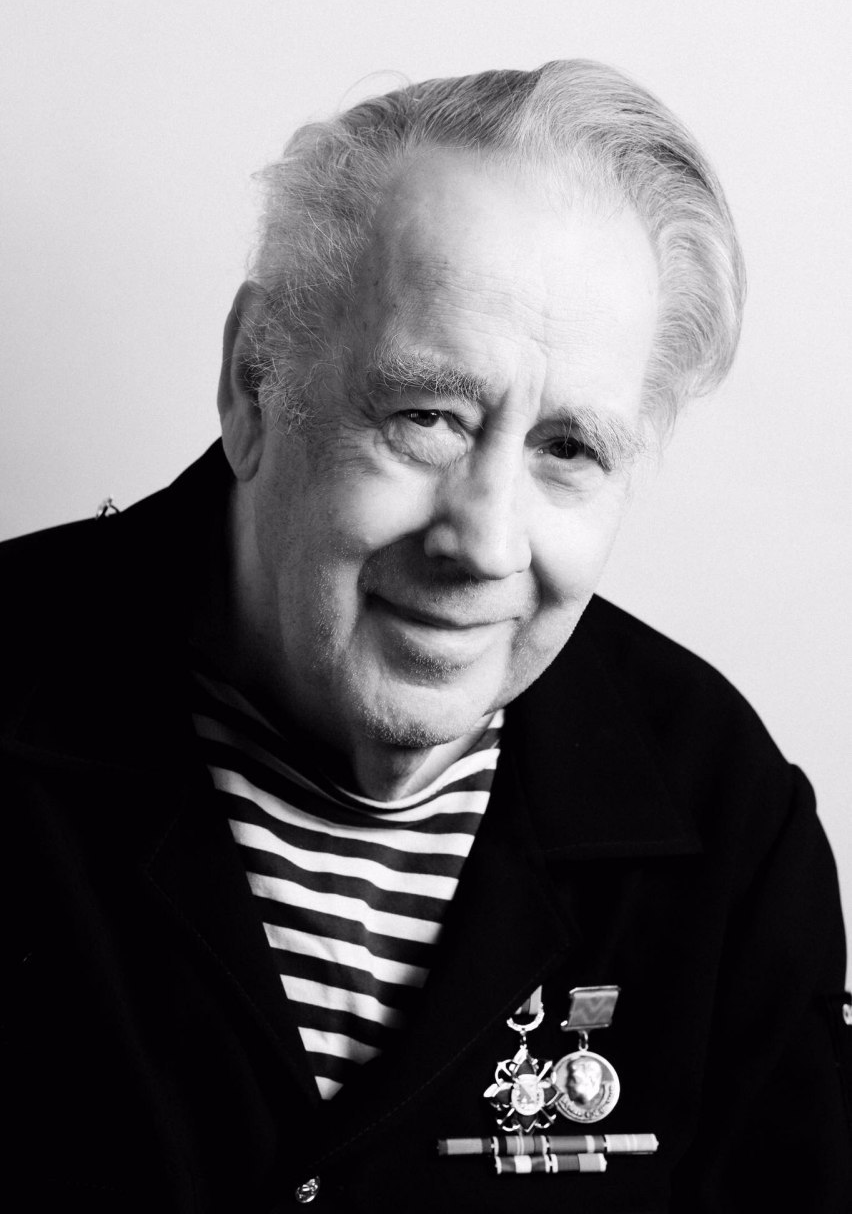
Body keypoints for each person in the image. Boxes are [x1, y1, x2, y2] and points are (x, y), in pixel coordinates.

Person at [3, 61, 850, 1213]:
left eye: (568, 449)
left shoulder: (729, 822)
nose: (486, 542)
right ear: (255, 383)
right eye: (428, 417)